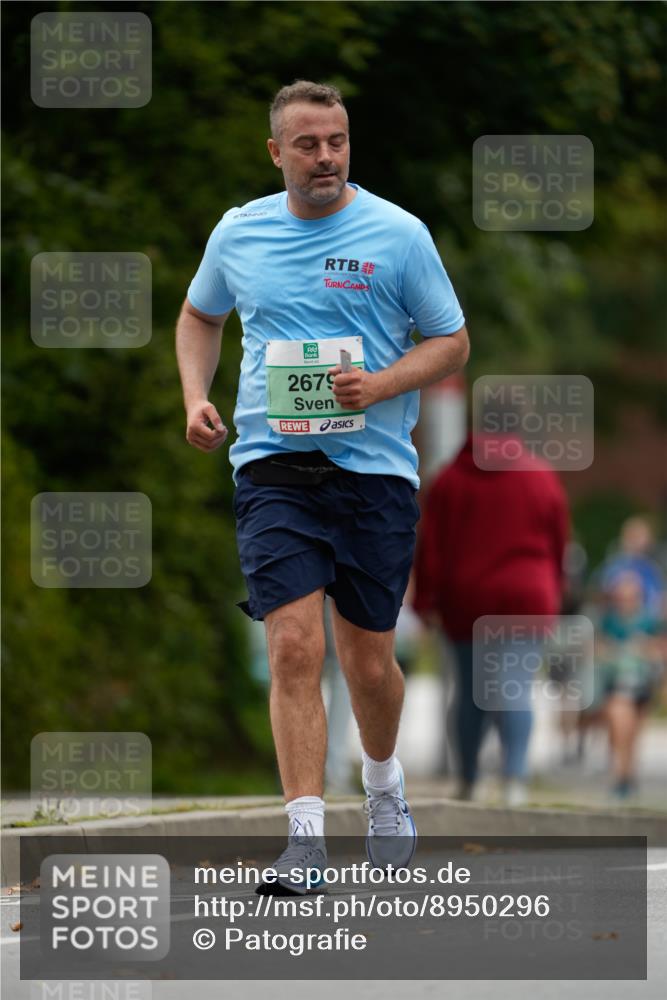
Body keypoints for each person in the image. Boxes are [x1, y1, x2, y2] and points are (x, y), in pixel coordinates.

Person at [175, 80, 469, 893]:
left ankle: (382, 789)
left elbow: (450, 341)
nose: (326, 156)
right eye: (307, 144)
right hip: (272, 467)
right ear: (276, 153)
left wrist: (378, 385)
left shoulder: (397, 234)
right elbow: (201, 316)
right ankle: (304, 838)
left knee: (366, 662)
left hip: (372, 471)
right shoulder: (239, 232)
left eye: (336, 140)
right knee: (292, 645)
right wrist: (196, 396)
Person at [413, 430, 569, 806]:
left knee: (470, 693)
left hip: (467, 599)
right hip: (526, 596)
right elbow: (559, 539)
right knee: (515, 687)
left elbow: (432, 545)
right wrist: (556, 586)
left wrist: (424, 600)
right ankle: (514, 779)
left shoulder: (449, 479)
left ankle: (468, 779)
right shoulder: (540, 475)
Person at [594, 570, 664, 799]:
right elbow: (595, 647)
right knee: (619, 724)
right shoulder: (607, 619)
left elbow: (660, 649)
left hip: (642, 683)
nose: (625, 600)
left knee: (632, 734)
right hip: (615, 684)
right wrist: (610, 651)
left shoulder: (649, 619)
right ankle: (620, 775)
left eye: (630, 595)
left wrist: (645, 648)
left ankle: (627, 775)